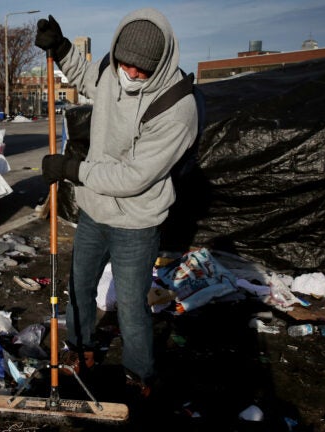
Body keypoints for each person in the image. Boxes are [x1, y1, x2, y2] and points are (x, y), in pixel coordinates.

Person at [35, 9, 199, 397]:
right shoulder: (113, 71)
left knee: (130, 304)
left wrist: (73, 170)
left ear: (160, 64)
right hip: (95, 210)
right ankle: (80, 349)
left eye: (142, 70)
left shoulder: (177, 108)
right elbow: (87, 77)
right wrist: (60, 48)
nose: (131, 74)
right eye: (125, 64)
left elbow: (134, 178)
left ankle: (140, 373)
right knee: (79, 287)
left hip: (137, 220)